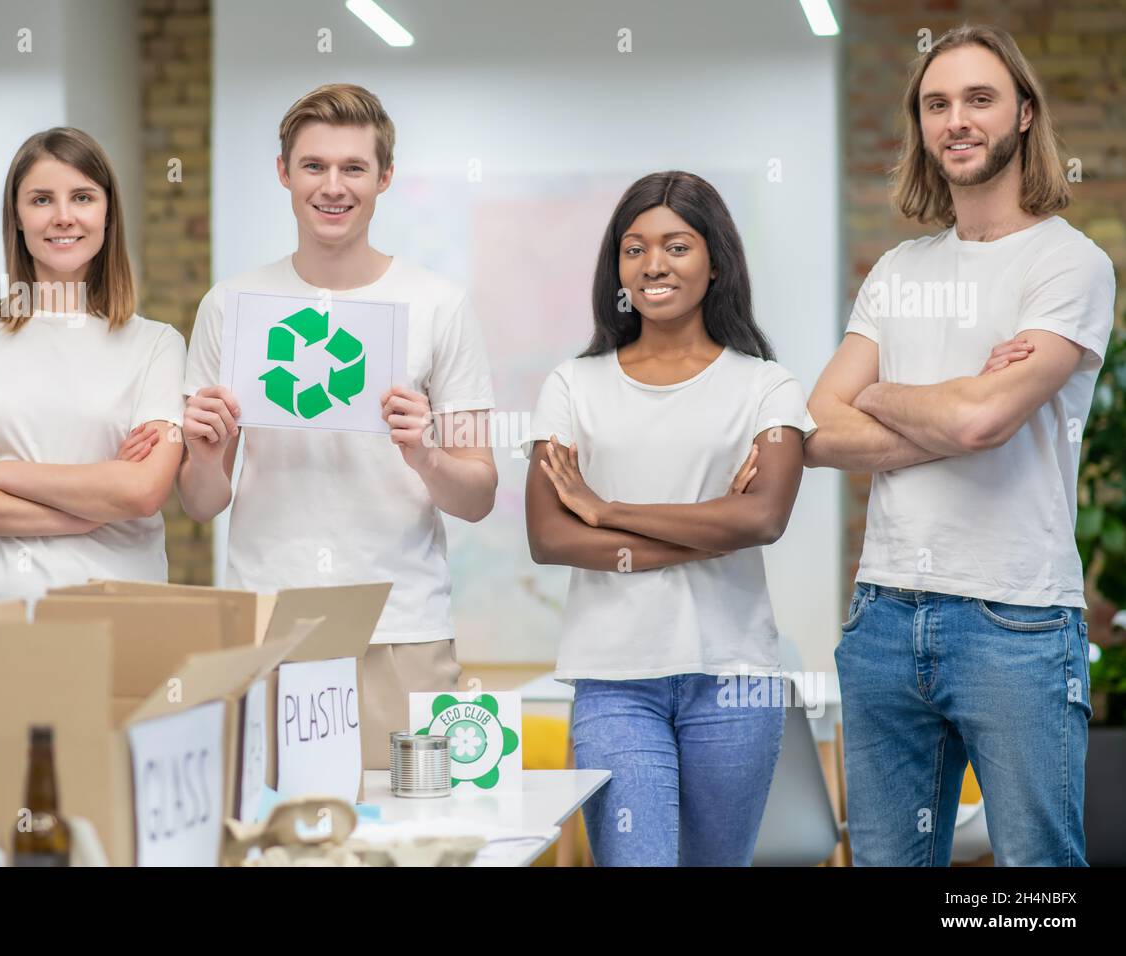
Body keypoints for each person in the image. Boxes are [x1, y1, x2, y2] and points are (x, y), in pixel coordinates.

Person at [804, 26, 1115, 866]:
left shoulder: (1069, 265)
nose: (957, 119)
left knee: (1035, 880)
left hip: (1013, 620)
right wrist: (953, 407)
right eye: (937, 103)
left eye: (979, 98)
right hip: (881, 613)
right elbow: (816, 428)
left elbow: (979, 422)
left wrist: (878, 395)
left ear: (1022, 115)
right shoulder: (899, 270)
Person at [178, 84, 497, 769]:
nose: (333, 186)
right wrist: (204, 456)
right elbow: (202, 503)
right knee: (272, 835)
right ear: (283, 173)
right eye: (314, 165)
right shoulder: (230, 307)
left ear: (384, 179)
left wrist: (426, 456)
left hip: (402, 630)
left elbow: (479, 495)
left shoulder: (440, 306)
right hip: (268, 626)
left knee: (417, 835)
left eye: (354, 168)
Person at [523, 171, 813, 866]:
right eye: (634, 248)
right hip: (614, 679)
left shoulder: (764, 384)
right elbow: (550, 536)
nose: (653, 264)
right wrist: (714, 524)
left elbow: (766, 517)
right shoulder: (573, 385)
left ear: (715, 261)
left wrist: (607, 510)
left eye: (677, 246)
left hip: (735, 677)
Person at [0, 127, 186, 609]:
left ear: (108, 213)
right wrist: (85, 511)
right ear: (17, 216)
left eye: (82, 197)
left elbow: (140, 492)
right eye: (40, 199)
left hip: (119, 613)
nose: (63, 217)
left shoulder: (157, 344)